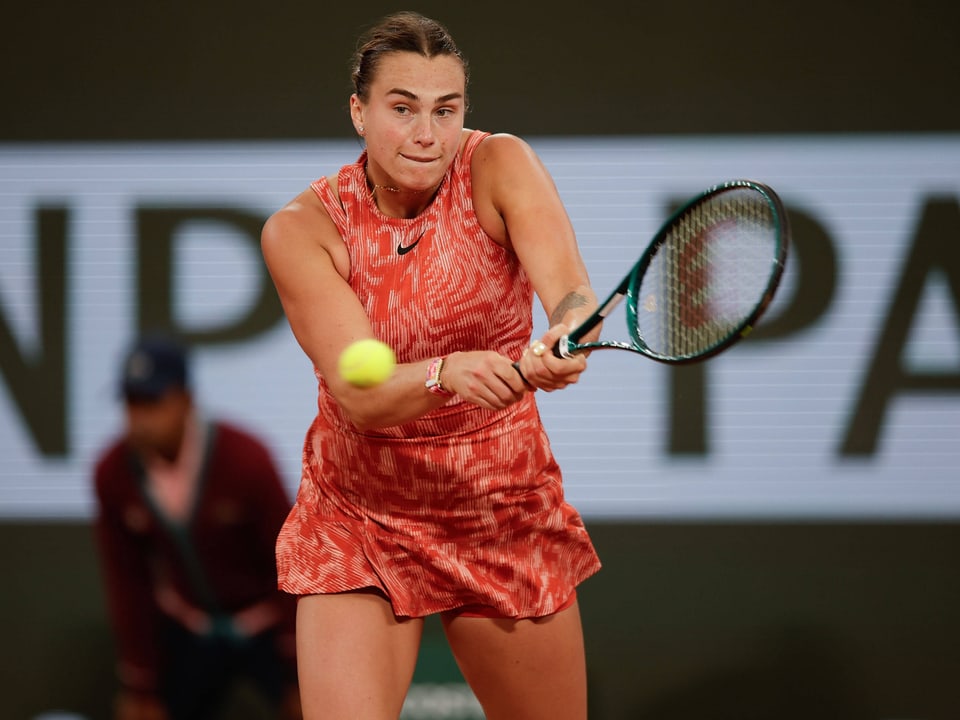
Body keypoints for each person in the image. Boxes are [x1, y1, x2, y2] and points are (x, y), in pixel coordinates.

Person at [260, 11, 603, 720]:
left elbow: (571, 293)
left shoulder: (500, 164)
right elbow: (361, 394)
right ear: (358, 111)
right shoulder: (303, 231)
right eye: (402, 108)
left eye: (446, 110)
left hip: (498, 503)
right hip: (360, 513)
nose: (427, 134)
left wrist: (566, 337)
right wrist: (445, 371)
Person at [92, 334, 301, 720]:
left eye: (152, 402)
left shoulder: (246, 459)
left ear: (186, 400)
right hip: (189, 630)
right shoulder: (112, 473)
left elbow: (287, 563)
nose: (139, 419)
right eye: (130, 403)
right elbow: (128, 582)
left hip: (268, 628)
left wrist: (297, 667)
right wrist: (140, 683)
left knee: (316, 708)